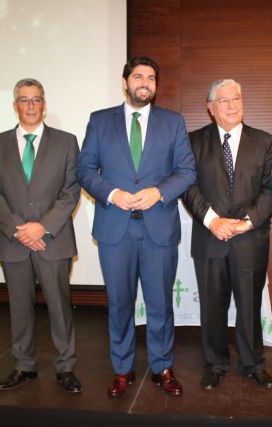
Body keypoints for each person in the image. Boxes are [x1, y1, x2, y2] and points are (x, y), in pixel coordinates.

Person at [77, 56, 196, 397]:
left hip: (158, 228)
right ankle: (122, 368)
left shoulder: (173, 123)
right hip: (115, 229)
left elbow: (187, 171)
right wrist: (112, 194)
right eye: (138, 76)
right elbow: (85, 169)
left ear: (156, 85)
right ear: (125, 81)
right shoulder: (100, 121)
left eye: (151, 78)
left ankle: (162, 366)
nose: (145, 82)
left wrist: (158, 191)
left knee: (160, 304)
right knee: (119, 304)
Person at [0, 78, 82, 393]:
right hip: (14, 243)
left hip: (53, 240)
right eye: (24, 100)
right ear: (15, 105)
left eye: (36, 99)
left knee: (59, 307)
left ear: (44, 104)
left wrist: (43, 226)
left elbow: (70, 191)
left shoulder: (66, 142)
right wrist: (17, 229)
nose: (30, 105)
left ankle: (65, 367)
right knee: (19, 308)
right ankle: (24, 366)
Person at [181, 79, 272, 391]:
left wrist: (247, 222)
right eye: (223, 100)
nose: (232, 104)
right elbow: (187, 185)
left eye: (236, 97)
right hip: (210, 237)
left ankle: (253, 364)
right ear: (211, 109)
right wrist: (212, 221)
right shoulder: (193, 141)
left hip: (250, 239)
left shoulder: (265, 141)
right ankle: (215, 363)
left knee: (250, 306)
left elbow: (271, 189)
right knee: (212, 307)